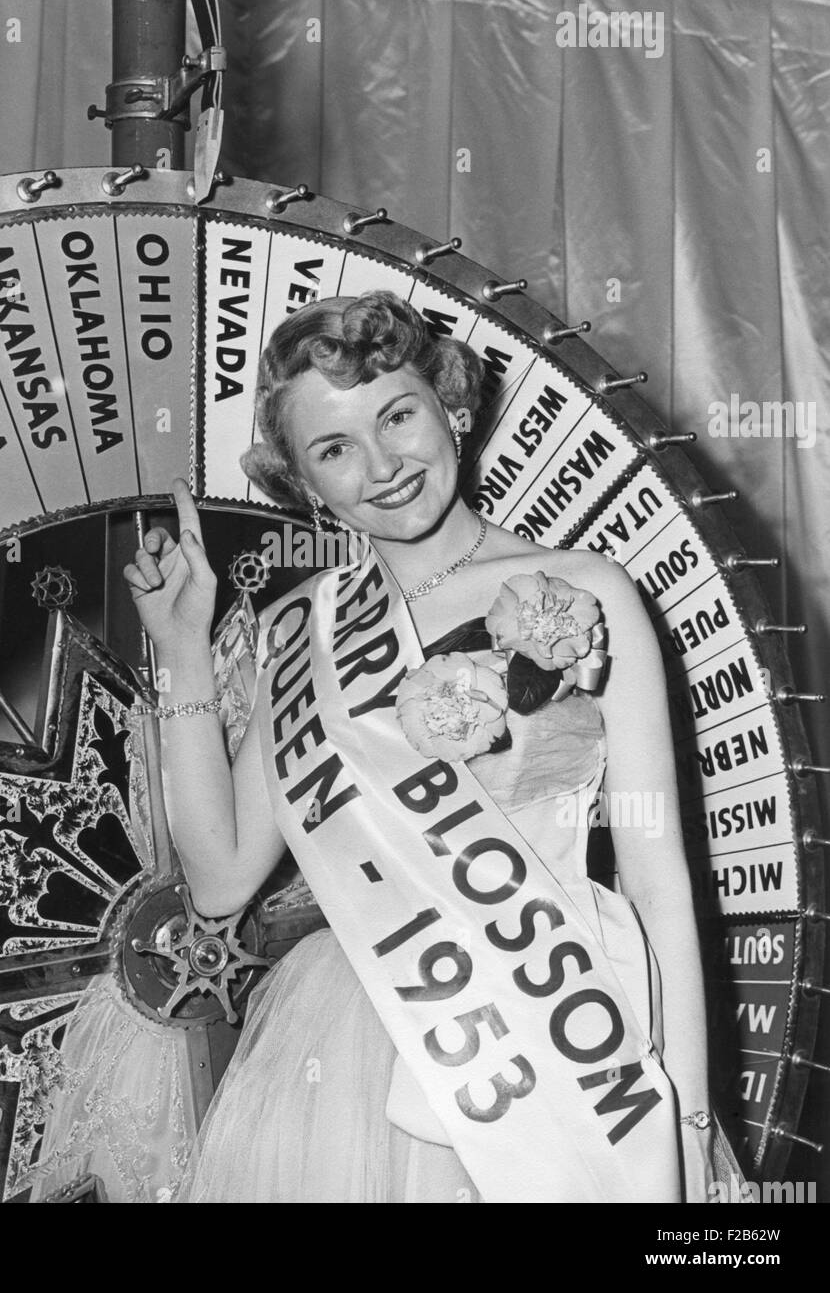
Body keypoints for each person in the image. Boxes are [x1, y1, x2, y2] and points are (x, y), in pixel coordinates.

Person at [123, 288, 738, 1203]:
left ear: (449, 406)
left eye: (397, 415)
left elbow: (656, 876)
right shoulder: (306, 630)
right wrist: (182, 653)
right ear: (305, 483)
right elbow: (217, 879)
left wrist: (685, 1112)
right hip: (369, 1027)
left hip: (567, 1019)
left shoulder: (584, 588)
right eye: (335, 449)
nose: (382, 465)